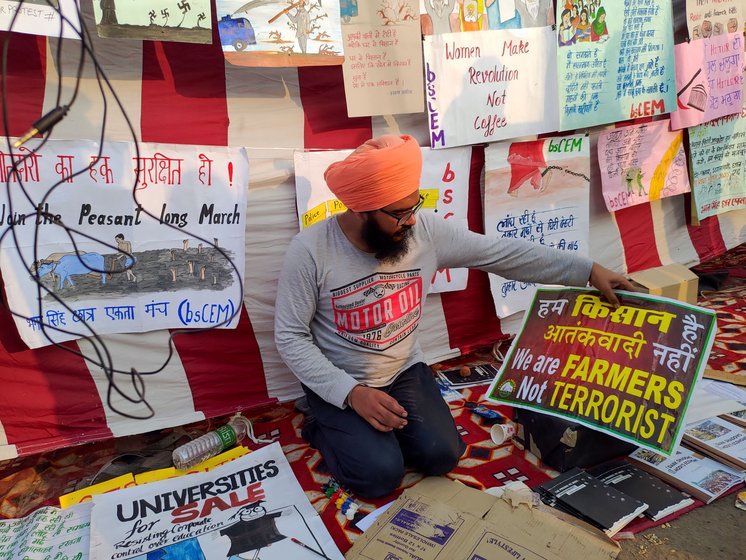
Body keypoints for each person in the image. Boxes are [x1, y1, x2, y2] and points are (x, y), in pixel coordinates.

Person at [274, 135, 634, 498]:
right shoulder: (310, 251)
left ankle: (374, 430)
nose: (411, 220)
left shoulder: (424, 232)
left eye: (415, 205)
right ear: (360, 210)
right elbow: (290, 337)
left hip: (401, 371)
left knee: (442, 455)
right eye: (399, 213)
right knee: (378, 477)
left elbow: (502, 253)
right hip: (342, 379)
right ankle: (321, 423)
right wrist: (350, 393)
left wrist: (586, 270)